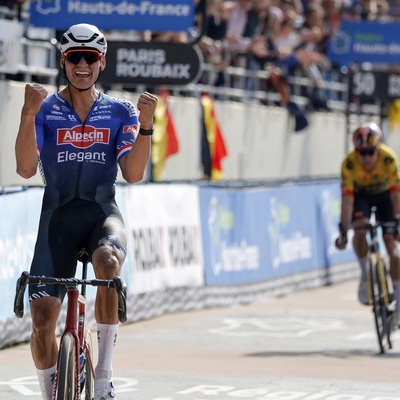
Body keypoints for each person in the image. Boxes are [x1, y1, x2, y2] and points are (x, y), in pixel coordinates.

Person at [15, 23, 158, 400]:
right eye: (74, 58)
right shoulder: (45, 109)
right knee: (43, 320)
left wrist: (146, 127)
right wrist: (28, 114)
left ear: (102, 62)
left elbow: (133, 173)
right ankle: (50, 393)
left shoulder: (120, 111)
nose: (82, 65)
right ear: (63, 61)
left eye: (90, 58)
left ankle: (102, 380)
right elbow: (26, 169)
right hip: (57, 220)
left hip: (100, 215)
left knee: (108, 265)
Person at [335, 122, 400, 324]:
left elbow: (397, 197)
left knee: (391, 243)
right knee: (360, 229)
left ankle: (398, 296)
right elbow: (347, 202)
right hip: (361, 196)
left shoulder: (389, 159)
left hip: (385, 197)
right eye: (361, 153)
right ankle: (365, 274)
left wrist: (397, 222)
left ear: (378, 149)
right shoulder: (349, 164)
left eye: (370, 152)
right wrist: (344, 230)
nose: (365, 158)